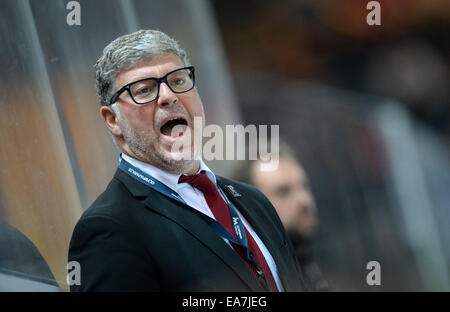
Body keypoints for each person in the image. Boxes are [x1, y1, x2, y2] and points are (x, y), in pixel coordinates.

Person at [68, 30, 307, 292]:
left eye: (178, 81)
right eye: (144, 90)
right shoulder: (109, 229)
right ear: (113, 120)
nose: (168, 96)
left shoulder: (255, 201)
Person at [232, 141, 329, 291]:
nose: (305, 201)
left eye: (304, 186)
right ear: (250, 208)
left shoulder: (317, 269)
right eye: (283, 192)